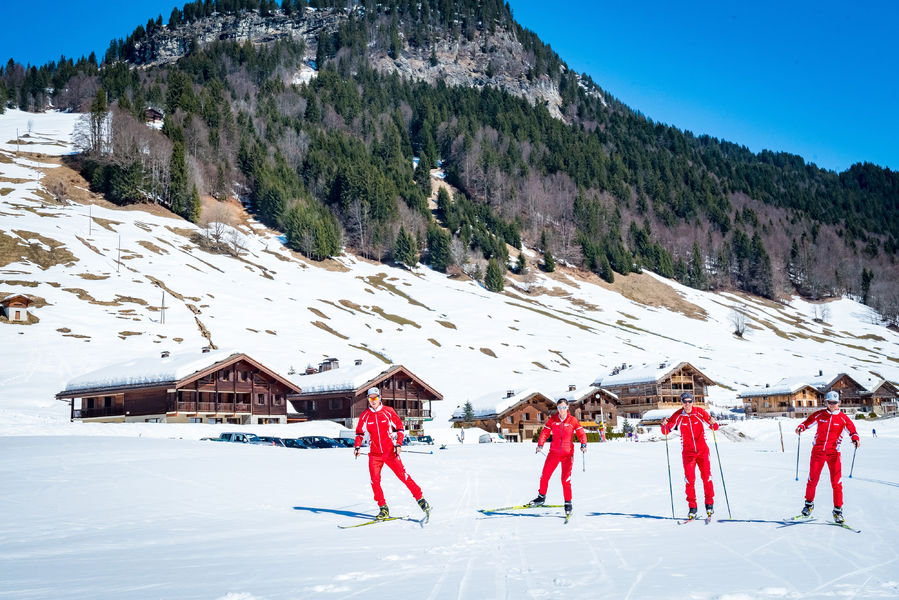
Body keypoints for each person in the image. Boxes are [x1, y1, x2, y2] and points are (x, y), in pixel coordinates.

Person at [354, 387, 431, 520]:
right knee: (375, 481)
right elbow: (360, 433)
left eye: (375, 398)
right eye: (370, 398)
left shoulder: (388, 412)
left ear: (380, 398)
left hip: (390, 452)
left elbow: (400, 428)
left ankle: (421, 500)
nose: (373, 400)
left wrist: (399, 444)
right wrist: (357, 446)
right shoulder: (365, 415)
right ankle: (383, 508)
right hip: (375, 454)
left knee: (403, 476)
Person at [795, 391, 859, 524]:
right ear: (826, 402)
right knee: (812, 479)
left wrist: (855, 438)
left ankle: (838, 511)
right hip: (818, 452)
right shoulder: (820, 414)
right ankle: (808, 505)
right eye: (829, 402)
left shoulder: (843, 418)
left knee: (836, 483)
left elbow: (852, 431)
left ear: (839, 403)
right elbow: (807, 423)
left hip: (833, 454)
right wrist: (801, 427)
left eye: (834, 403)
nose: (832, 405)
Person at [661, 391, 719, 520]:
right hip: (688, 454)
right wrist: (664, 425)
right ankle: (692, 507)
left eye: (689, 401)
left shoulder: (699, 412)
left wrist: (713, 422)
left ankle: (709, 504)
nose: (687, 404)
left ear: (693, 402)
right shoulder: (677, 415)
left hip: (702, 451)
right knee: (690, 480)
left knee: (707, 478)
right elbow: (666, 430)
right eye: (685, 402)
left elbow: (714, 427)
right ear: (681, 403)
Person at [527, 398, 587, 517]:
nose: (561, 410)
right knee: (545, 476)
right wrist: (540, 445)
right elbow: (545, 432)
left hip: (567, 455)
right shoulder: (553, 420)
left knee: (565, 480)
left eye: (564, 407)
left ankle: (568, 503)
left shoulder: (572, 420)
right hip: (553, 453)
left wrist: (583, 444)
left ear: (567, 407)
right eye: (559, 408)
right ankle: (541, 497)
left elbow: (581, 433)